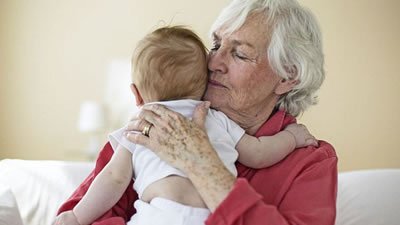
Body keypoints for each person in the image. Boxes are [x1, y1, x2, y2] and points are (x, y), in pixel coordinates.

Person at [56, 0, 338, 224]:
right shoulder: (151, 125)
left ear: (287, 77)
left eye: (238, 54)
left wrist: (202, 164)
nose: (214, 61)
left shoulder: (310, 162)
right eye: (215, 45)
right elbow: (78, 215)